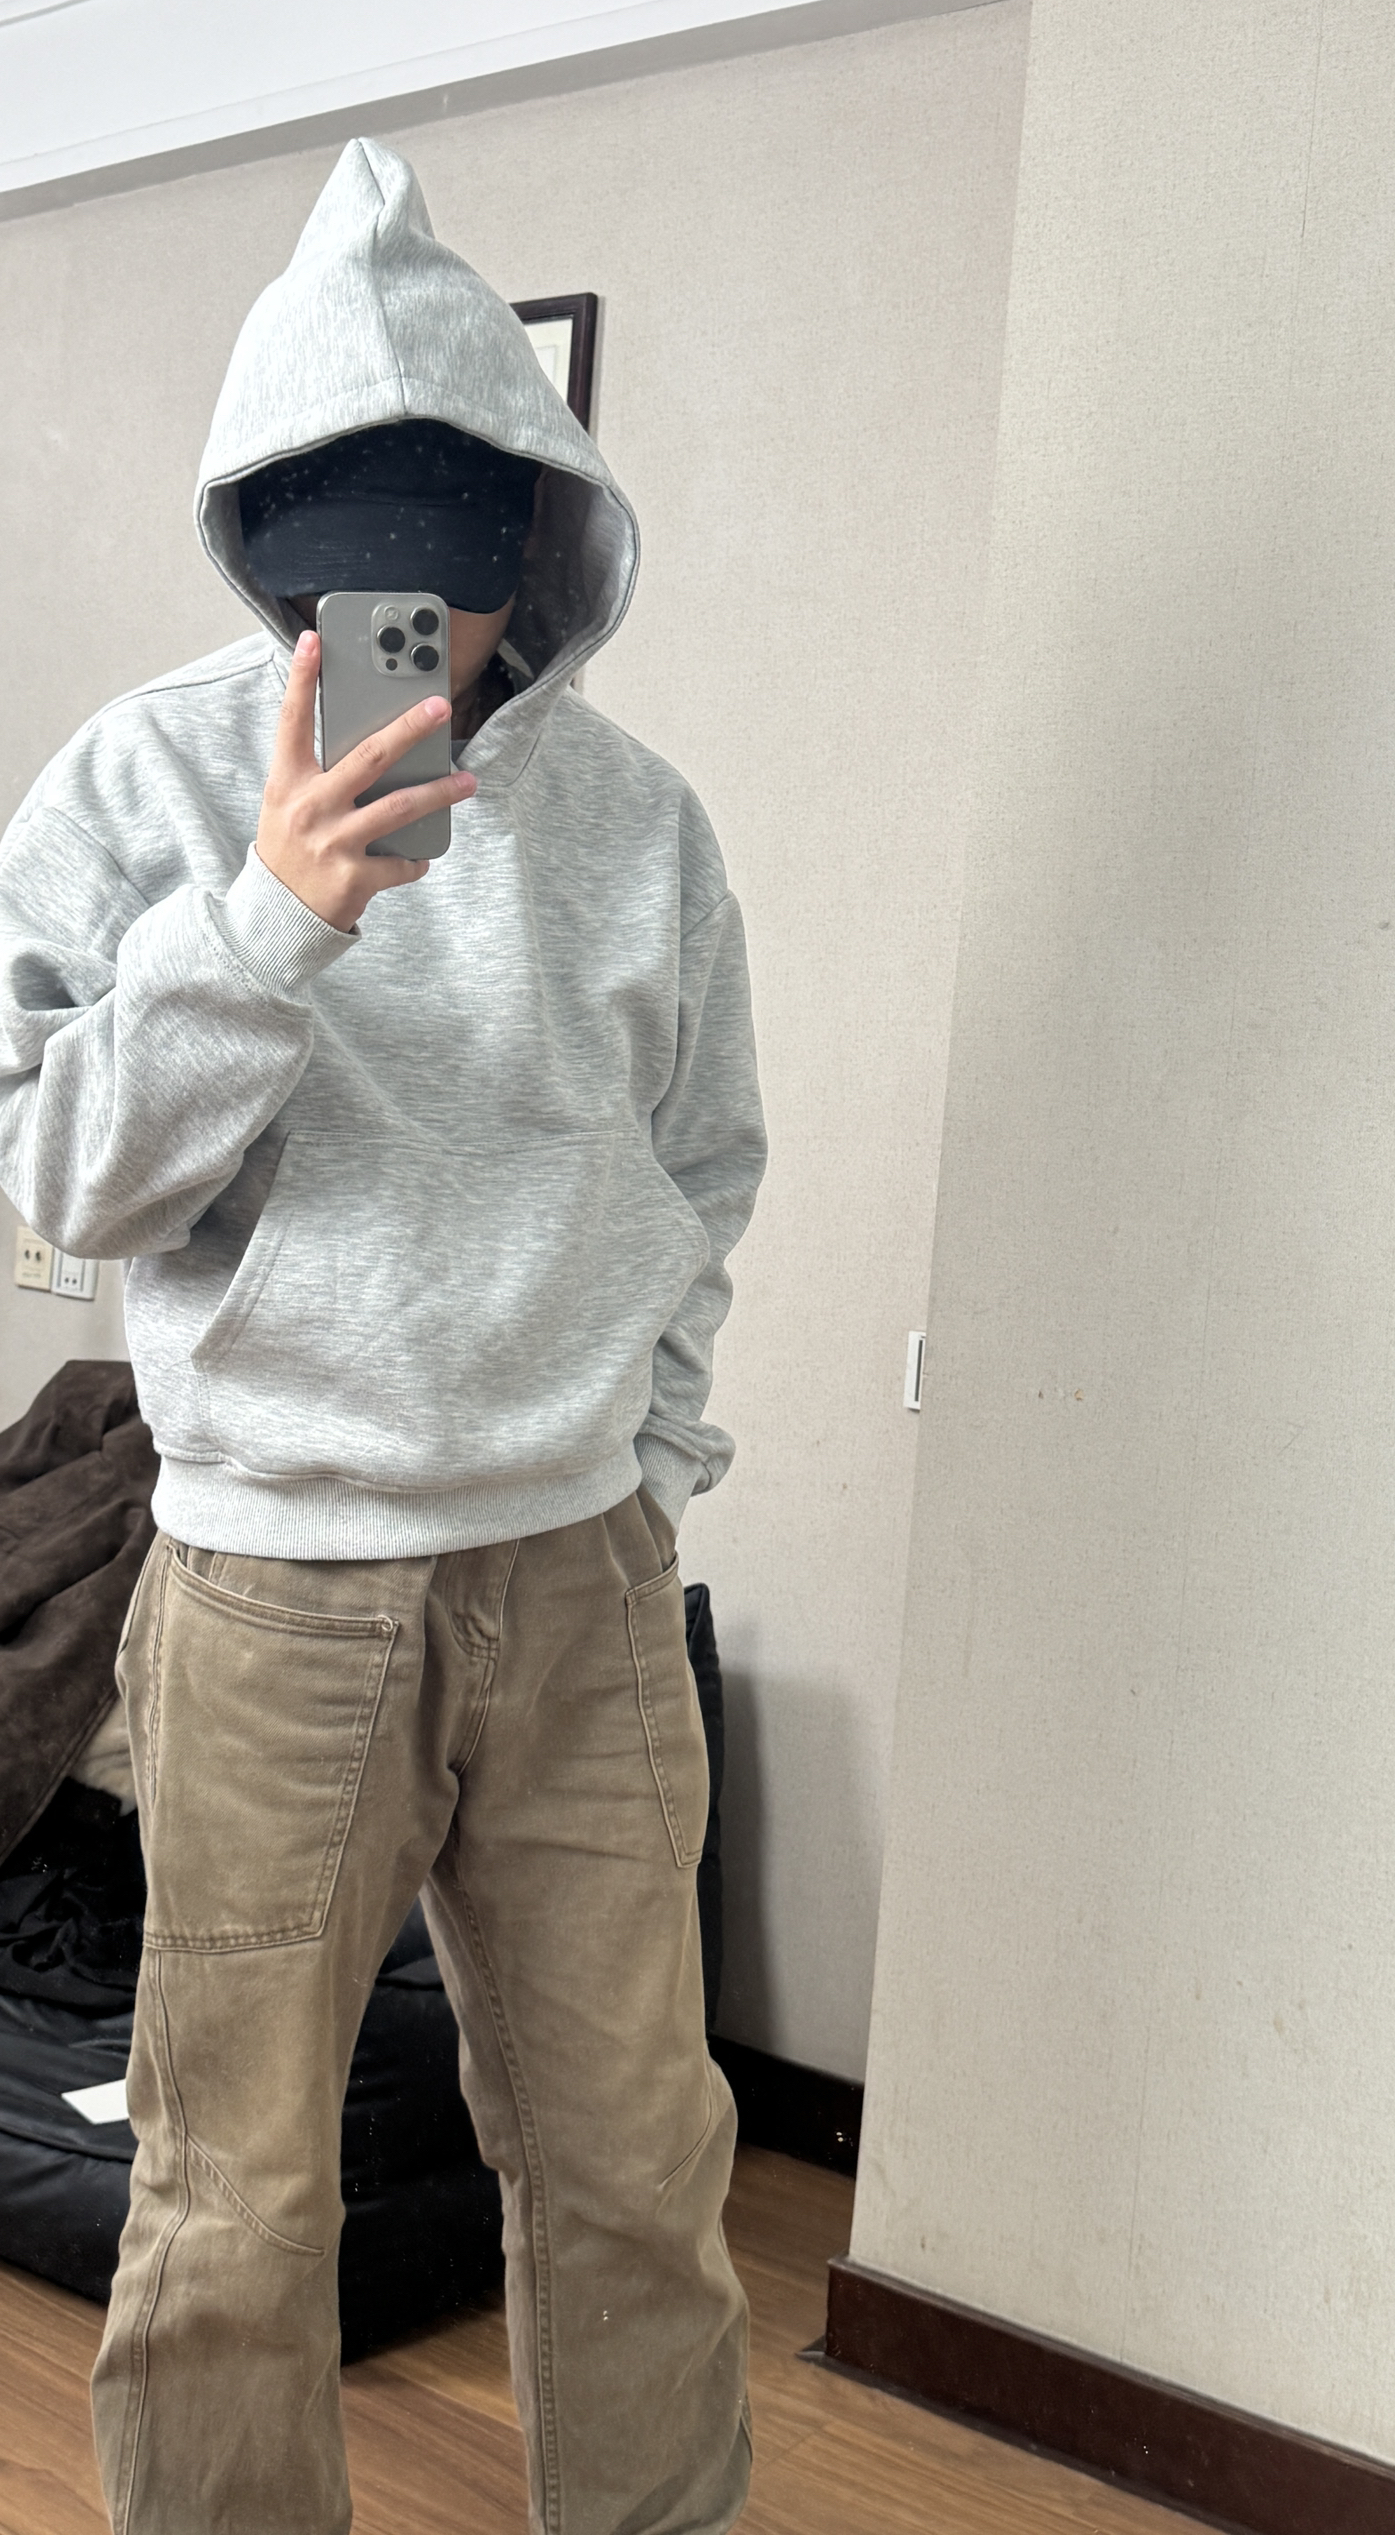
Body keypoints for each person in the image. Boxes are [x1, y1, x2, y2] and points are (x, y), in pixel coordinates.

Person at [0, 137, 765, 2535]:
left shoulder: (640, 823)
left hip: (582, 1580)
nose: (420, 623)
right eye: (356, 573)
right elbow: (65, 1185)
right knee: (230, 2204)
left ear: (545, 544)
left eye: (460, 568)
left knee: (639, 2171)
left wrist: (649, 1461)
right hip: (269, 1592)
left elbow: (704, 1161)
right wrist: (265, 919)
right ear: (271, 556)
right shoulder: (138, 783)